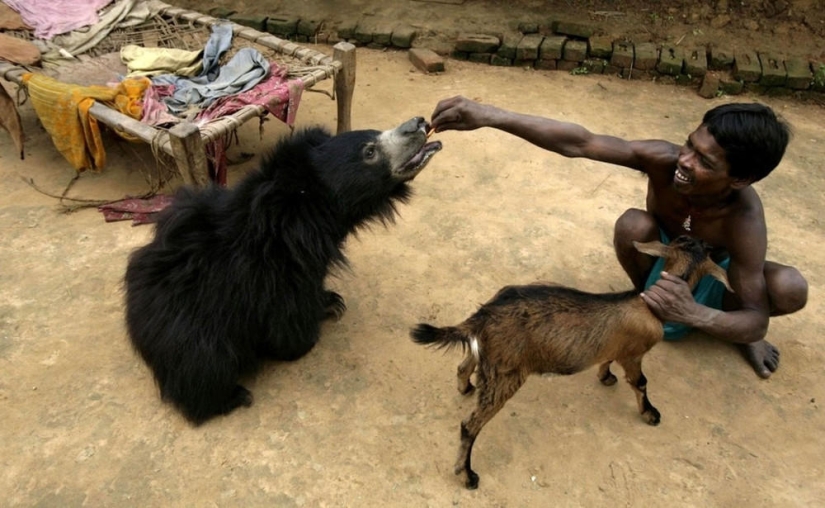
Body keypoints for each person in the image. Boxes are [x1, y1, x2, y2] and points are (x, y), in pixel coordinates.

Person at [429, 97, 808, 378]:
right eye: (690, 144)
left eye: (705, 162)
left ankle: (715, 324)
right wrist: (491, 116)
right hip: (664, 254)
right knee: (632, 226)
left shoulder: (744, 221)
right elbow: (579, 143)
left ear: (740, 179)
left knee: (790, 287)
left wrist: (696, 314)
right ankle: (645, 299)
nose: (686, 161)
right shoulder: (664, 159)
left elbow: (758, 319)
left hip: (713, 273)